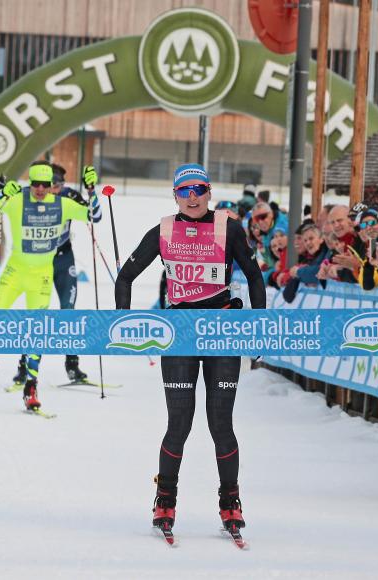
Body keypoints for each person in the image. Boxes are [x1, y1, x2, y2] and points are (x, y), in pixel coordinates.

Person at [114, 163, 266, 537]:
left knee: (221, 423)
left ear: (209, 192)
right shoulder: (164, 229)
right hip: (180, 332)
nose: (193, 196)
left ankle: (230, 501)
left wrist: (258, 329)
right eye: (185, 191)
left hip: (222, 330)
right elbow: (126, 276)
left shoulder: (227, 227)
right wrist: (121, 323)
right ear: (175, 196)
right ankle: (165, 499)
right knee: (179, 423)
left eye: (199, 189)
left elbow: (254, 275)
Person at [0, 162, 102, 412]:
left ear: (51, 186)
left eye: (45, 185)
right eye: (35, 183)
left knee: (37, 329)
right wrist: (2, 194)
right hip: (15, 273)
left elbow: (95, 216)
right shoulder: (17, 199)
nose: (39, 189)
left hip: (41, 277)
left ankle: (30, 386)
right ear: (30, 182)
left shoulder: (64, 204)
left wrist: (91, 189)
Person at [11, 164, 92, 386]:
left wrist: (91, 190)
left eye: (58, 185)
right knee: (36, 315)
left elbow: (91, 213)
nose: (54, 190)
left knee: (68, 311)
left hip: (63, 258)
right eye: (51, 185)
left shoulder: (69, 196)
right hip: (37, 261)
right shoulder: (30, 196)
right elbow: (10, 199)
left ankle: (72, 365)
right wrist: (2, 189)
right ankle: (24, 367)